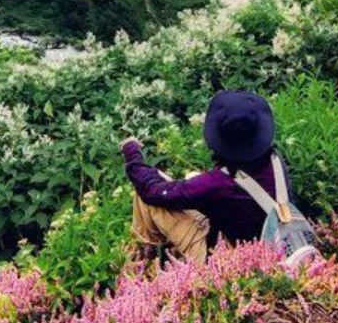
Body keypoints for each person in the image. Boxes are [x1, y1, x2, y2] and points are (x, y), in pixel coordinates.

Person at [121, 90, 295, 265]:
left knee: (145, 190)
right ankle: (155, 256)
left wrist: (132, 153)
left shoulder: (217, 184)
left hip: (230, 260)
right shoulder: (275, 159)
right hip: (277, 243)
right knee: (192, 178)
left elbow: (152, 191)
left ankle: (146, 258)